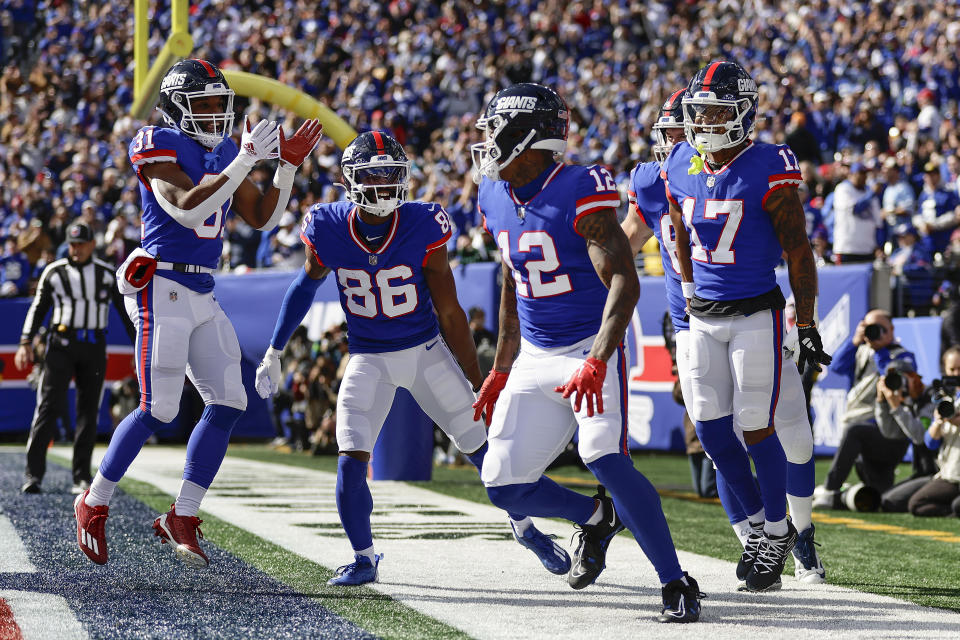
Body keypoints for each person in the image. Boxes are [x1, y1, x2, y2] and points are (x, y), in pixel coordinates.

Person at [254, 130, 570, 587]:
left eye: (391, 176)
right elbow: (303, 287)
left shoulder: (423, 222)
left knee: (486, 453)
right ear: (351, 181)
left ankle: (525, 528)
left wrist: (478, 381)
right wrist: (275, 348)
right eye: (373, 177)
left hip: (426, 353)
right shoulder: (326, 225)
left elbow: (450, 312)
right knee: (348, 463)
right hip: (368, 359)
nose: (384, 187)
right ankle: (364, 558)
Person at [73, 58, 323, 567]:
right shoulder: (155, 142)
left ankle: (181, 515)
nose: (214, 116)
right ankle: (94, 501)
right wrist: (243, 161)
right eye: (202, 105)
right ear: (175, 108)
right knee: (159, 407)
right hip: (160, 280)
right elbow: (185, 207)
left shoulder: (229, 148)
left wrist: (286, 167)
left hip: (202, 287)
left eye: (219, 105)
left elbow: (260, 218)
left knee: (230, 400)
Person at [470, 83, 702, 623]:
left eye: (495, 131)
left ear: (528, 138)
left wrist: (597, 360)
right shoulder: (494, 194)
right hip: (533, 353)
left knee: (603, 455)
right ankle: (595, 517)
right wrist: (501, 369)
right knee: (503, 484)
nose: (485, 143)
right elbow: (512, 283)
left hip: (588, 346)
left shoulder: (580, 186)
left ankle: (674, 579)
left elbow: (624, 281)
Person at [623, 87, 825, 583]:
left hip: (756, 310)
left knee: (770, 426)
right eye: (683, 122)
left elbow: (798, 249)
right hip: (697, 316)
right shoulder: (667, 171)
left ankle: (790, 535)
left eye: (693, 122)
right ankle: (763, 529)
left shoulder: (768, 162)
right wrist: (688, 289)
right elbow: (662, 228)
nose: (683, 136)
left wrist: (806, 321)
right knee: (712, 429)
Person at [15, 221, 135, 494]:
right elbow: (38, 308)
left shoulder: (106, 274)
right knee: (48, 407)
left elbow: (127, 314)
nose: (76, 249)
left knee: (88, 411)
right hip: (61, 345)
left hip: (93, 346)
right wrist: (25, 342)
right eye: (72, 244)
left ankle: (81, 476)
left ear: (93, 244)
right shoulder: (54, 272)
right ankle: (33, 474)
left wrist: (139, 346)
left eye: (81, 244)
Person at [813, 310, 918, 509]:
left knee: (855, 432)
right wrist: (854, 342)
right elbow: (836, 366)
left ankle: (830, 490)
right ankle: (846, 495)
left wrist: (879, 350)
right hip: (869, 434)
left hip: (890, 434)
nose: (874, 332)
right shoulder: (862, 350)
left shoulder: (904, 356)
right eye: (869, 327)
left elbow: (891, 374)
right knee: (880, 495)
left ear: (891, 331)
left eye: (880, 329)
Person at [831, 162, 884, 264]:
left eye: (865, 174)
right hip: (847, 248)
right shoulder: (843, 189)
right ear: (851, 175)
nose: (863, 176)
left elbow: (878, 223)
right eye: (860, 173)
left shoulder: (869, 193)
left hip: (868, 249)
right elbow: (856, 209)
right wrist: (872, 193)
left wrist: (879, 246)